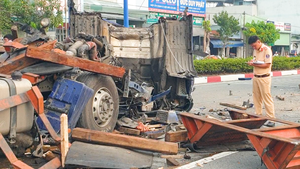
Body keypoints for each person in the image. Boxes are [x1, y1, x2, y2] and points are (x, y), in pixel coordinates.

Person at [247, 35, 275, 127]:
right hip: (256, 77)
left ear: (259, 42)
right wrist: (252, 62)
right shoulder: (255, 50)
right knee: (256, 97)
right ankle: (258, 116)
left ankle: (271, 119)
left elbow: (267, 64)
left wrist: (254, 64)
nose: (254, 47)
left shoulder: (267, 50)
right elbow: (256, 60)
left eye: (254, 45)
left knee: (266, 97)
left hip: (264, 77)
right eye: (252, 46)